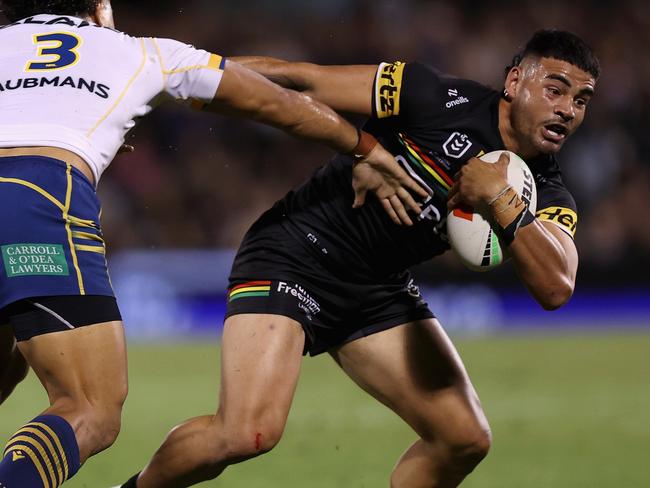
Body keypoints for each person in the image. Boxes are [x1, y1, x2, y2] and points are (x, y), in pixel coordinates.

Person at [117, 29, 600, 488]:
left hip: (374, 286)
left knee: (463, 438)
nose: (567, 111)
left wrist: (501, 199)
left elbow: (557, 286)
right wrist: (171, 82)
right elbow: (302, 80)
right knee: (246, 433)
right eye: (555, 90)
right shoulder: (431, 96)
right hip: (296, 251)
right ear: (516, 81)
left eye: (580, 101)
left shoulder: (544, 191)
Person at [0, 1, 427, 486]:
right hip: (37, 197)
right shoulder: (140, 53)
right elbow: (274, 102)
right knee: (89, 408)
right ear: (101, 9)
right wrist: (363, 148)